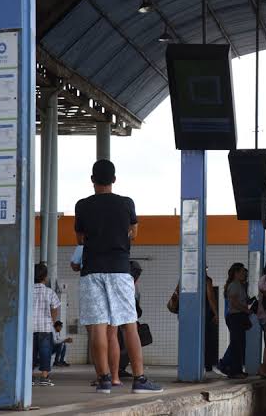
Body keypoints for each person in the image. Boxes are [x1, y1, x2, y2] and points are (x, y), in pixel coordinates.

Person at [75, 159, 162, 394]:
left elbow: (80, 239)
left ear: (92, 180)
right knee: (129, 326)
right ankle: (139, 379)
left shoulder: (82, 205)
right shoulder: (126, 203)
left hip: (92, 270)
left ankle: (103, 379)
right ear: (114, 180)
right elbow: (134, 232)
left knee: (98, 327)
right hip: (119, 269)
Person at [69, 243, 123, 387]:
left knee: (95, 333)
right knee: (112, 336)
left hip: (92, 285)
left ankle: (102, 376)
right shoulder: (116, 237)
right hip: (114, 282)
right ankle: (115, 377)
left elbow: (74, 265)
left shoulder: (85, 243)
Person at [32, 262, 60, 387]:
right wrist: (52, 322)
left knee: (30, 353)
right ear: (45, 277)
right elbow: (55, 308)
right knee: (45, 352)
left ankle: (29, 377)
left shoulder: (27, 291)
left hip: (30, 328)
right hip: (45, 328)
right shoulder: (50, 292)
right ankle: (44, 377)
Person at [222, 262, 251, 379]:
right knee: (236, 344)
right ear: (236, 273)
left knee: (238, 344)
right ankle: (233, 371)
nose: (245, 274)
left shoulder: (239, 285)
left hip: (237, 317)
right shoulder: (234, 285)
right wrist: (246, 310)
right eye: (243, 272)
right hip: (235, 317)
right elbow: (233, 302)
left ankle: (237, 369)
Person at [118, 260, 143, 378]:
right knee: (124, 344)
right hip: (125, 319)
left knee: (125, 345)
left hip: (125, 318)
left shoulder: (132, 284)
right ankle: (118, 369)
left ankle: (119, 368)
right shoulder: (128, 284)